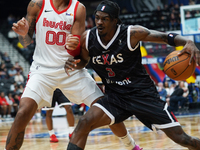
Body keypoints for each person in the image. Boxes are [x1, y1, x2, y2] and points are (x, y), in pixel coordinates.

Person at [5, 0, 141, 150]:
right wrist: (23, 35)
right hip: (42, 72)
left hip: (70, 70)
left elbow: (78, 50)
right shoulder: (37, 4)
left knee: (103, 107)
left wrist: (74, 46)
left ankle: (131, 146)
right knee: (22, 113)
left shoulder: (78, 8)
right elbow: (25, 42)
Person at [65, 1, 200, 149]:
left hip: (142, 95)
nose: (99, 22)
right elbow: (83, 61)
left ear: (115, 20)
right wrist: (74, 64)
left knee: (182, 139)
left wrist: (188, 41)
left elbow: (164, 37)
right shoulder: (87, 38)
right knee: (84, 122)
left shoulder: (132, 34)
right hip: (115, 96)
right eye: (97, 17)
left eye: (105, 19)